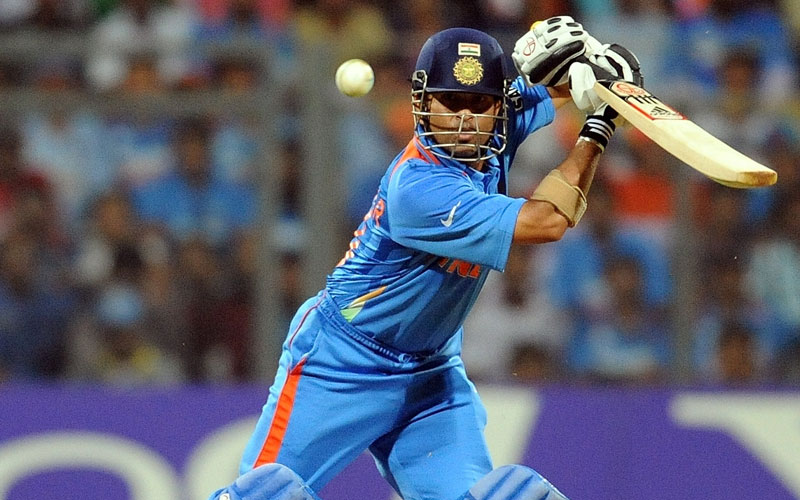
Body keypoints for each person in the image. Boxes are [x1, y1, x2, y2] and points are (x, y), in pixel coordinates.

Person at [209, 18, 641, 500]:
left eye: (478, 104)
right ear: (422, 103)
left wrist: (601, 74)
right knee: (268, 494)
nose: (463, 119)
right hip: (341, 363)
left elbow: (554, 91)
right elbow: (548, 222)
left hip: (430, 377)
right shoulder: (418, 187)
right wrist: (599, 127)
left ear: (498, 106)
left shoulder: (494, 127)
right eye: (450, 102)